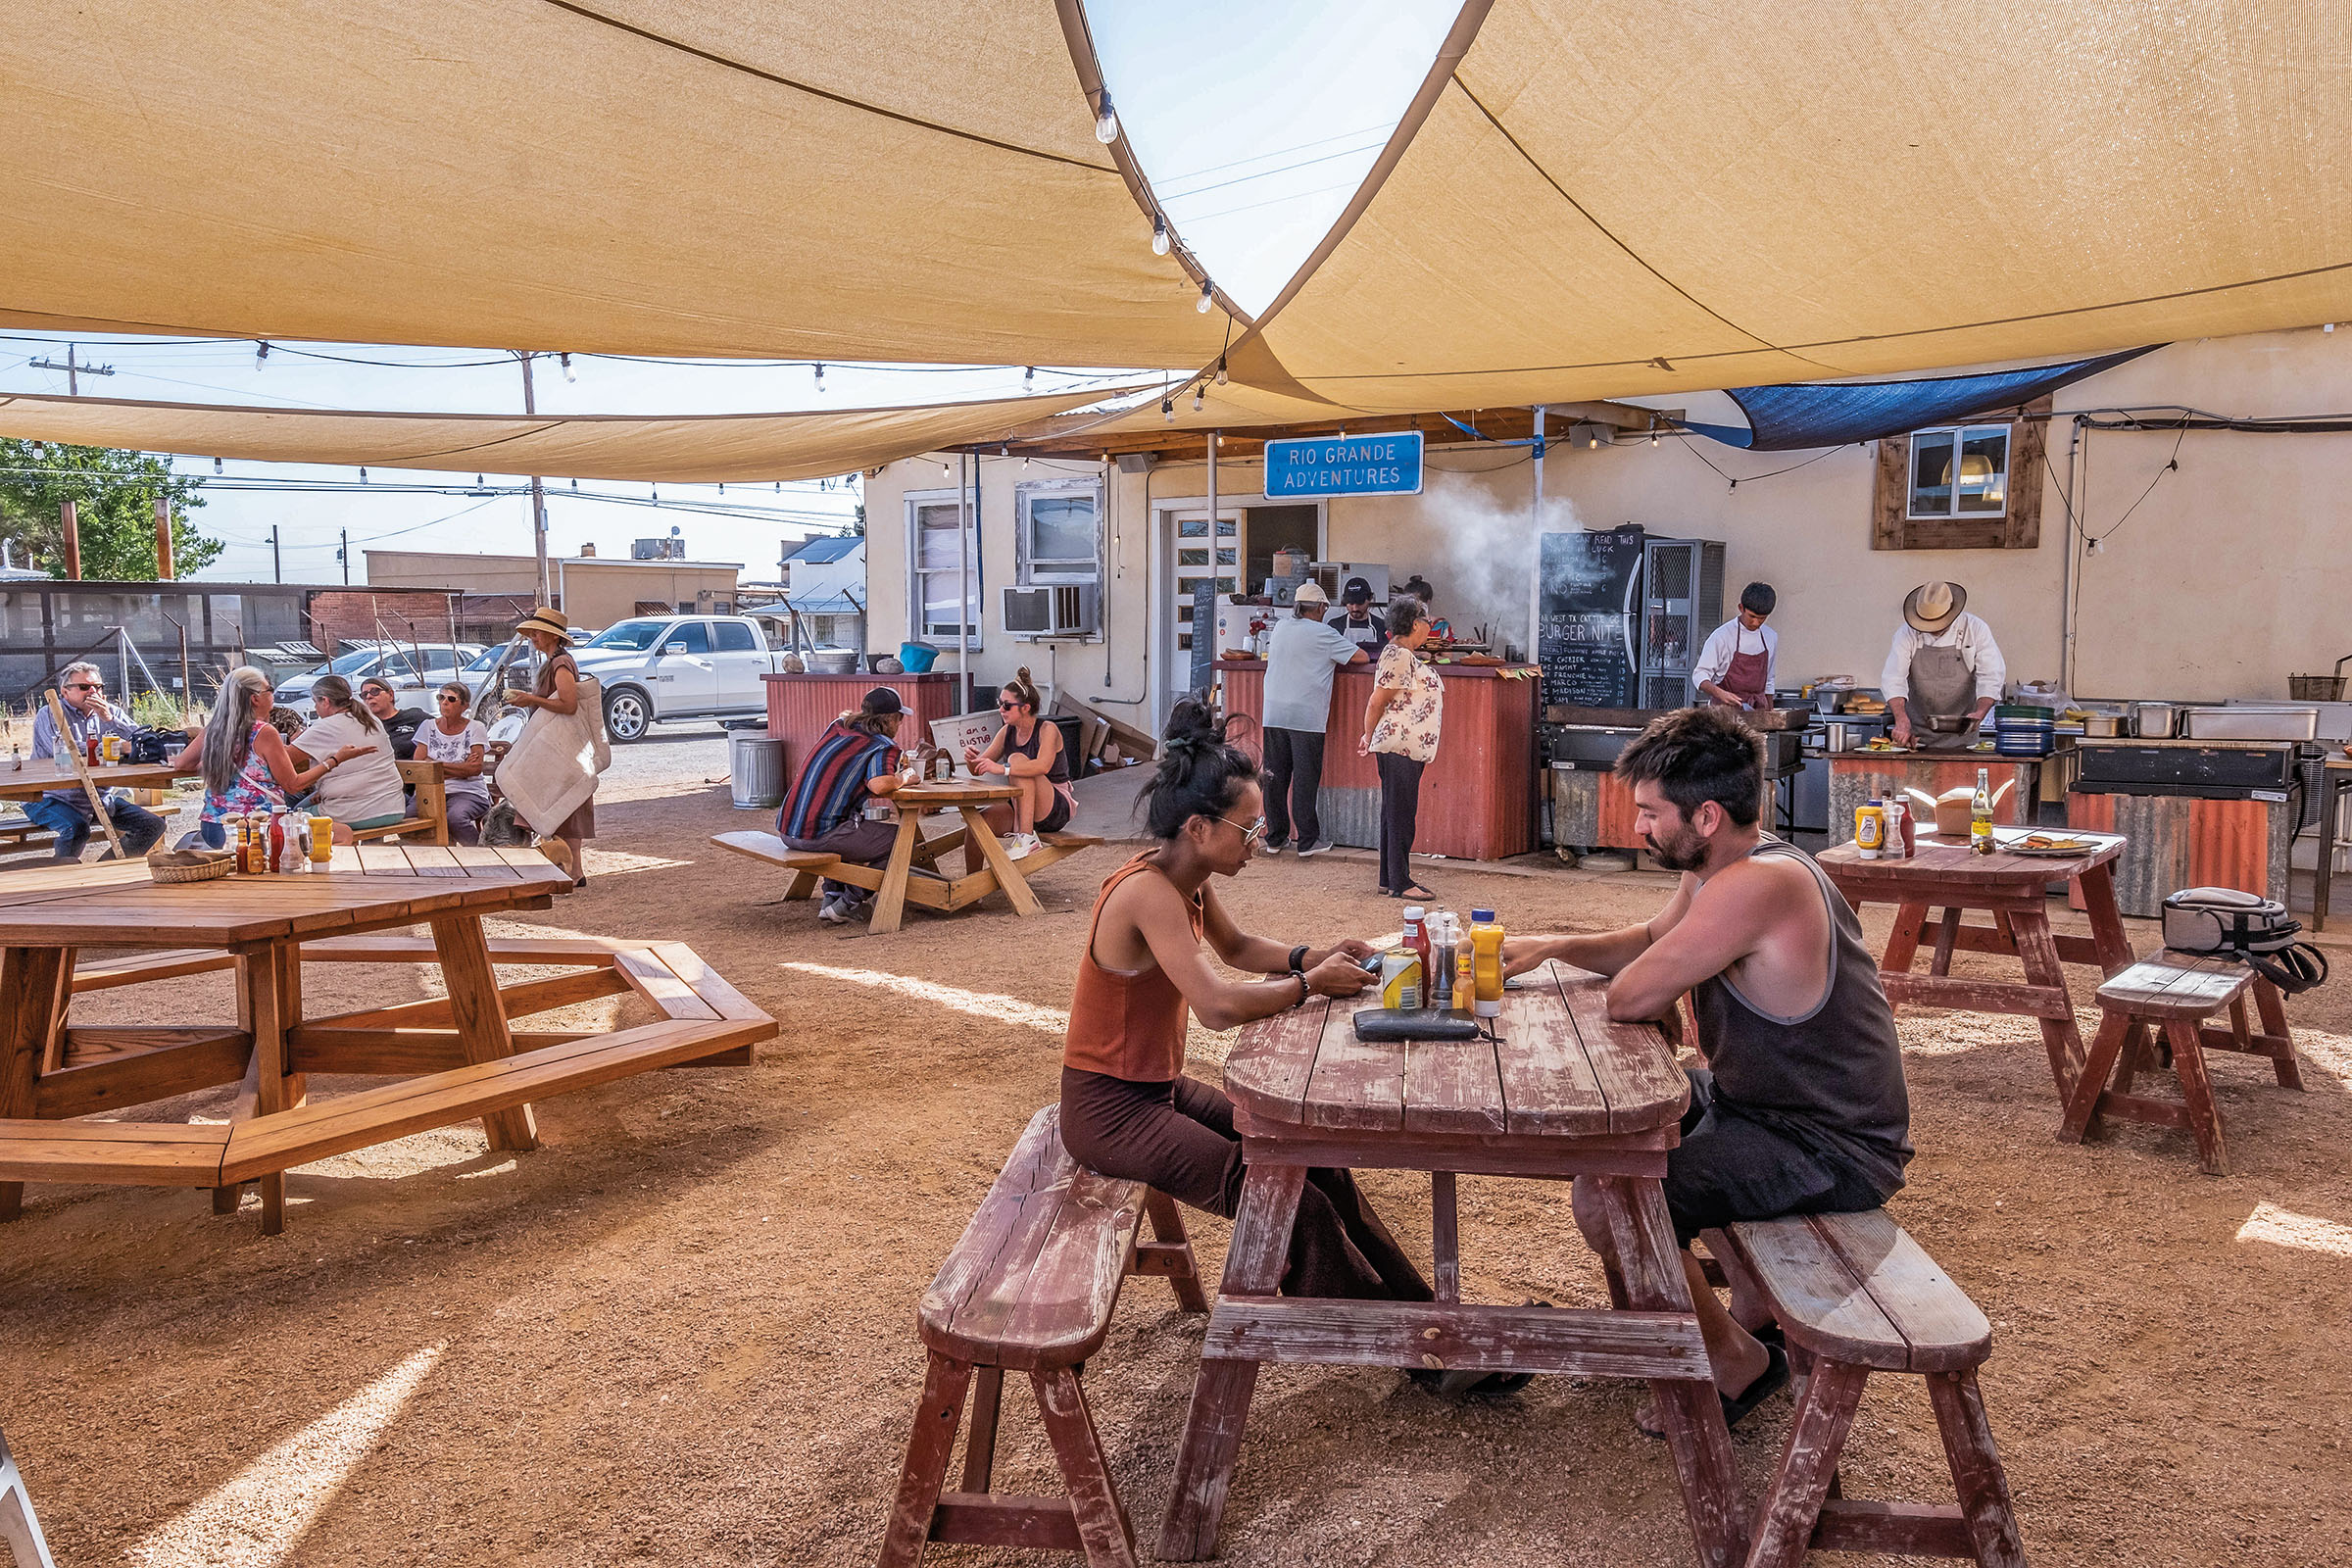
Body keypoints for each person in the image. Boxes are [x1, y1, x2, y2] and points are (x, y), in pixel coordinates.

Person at [1501, 706, 1911, 1434]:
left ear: (1708, 815)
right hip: (1760, 1105)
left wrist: (1603, 971)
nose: (1639, 829)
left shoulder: (1759, 886)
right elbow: (1653, 939)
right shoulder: (1727, 866)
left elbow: (1634, 993)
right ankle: (1694, 1330)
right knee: (1623, 1142)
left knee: (1612, 1196)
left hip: (1829, 1144)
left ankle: (1734, 1363)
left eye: (1650, 814)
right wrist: (1550, 946)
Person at [1058, 699, 1433, 1309]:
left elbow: (1236, 948)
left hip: (1154, 1090)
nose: (1258, 841)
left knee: (1317, 1165)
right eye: (1249, 828)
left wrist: (1308, 958)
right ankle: (1384, 1339)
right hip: (1110, 1111)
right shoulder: (1147, 893)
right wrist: (1309, 988)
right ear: (1199, 828)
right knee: (1290, 1200)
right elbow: (1216, 1005)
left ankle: (1423, 1316)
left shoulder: (1183, 876)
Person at [170, 665, 372, 847]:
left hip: (212, 826)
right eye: (270, 690)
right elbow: (293, 784)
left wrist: (220, 762)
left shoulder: (215, 728)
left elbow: (182, 763)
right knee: (342, 833)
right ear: (255, 698)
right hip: (257, 826)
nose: (273, 695)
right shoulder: (264, 732)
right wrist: (335, 760)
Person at [779, 685, 907, 924]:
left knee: (850, 825)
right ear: (892, 719)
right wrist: (905, 778)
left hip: (788, 827)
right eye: (900, 719)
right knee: (904, 840)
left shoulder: (837, 727)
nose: (900, 725)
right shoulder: (884, 745)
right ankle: (849, 902)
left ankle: (832, 896)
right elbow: (879, 785)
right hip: (817, 834)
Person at [1258, 578, 1365, 857]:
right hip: (1305, 715)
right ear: (1318, 608)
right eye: (1324, 609)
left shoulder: (1280, 627)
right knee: (1305, 778)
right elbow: (1362, 657)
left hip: (1273, 712)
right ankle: (1307, 840)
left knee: (1275, 778)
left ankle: (1275, 837)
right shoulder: (1324, 633)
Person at [24, 662, 167, 860]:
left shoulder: (111, 711)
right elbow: (62, 749)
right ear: (65, 692)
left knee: (153, 824)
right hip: (51, 796)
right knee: (76, 828)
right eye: (84, 687)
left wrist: (109, 720)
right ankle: (63, 879)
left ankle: (105, 870)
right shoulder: (50, 713)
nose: (93, 692)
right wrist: (113, 747)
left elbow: (142, 740)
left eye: (98, 687)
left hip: (99, 797)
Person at [501, 607, 597, 888]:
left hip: (560, 748)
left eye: (536, 632)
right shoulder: (556, 662)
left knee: (558, 805)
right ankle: (572, 871)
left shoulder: (560, 664)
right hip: (558, 747)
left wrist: (532, 700)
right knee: (561, 807)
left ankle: (569, 869)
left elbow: (568, 704)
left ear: (551, 636)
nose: (532, 637)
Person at [1359, 595, 1442, 901]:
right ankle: (1401, 882)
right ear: (1416, 623)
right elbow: (1377, 700)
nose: (1429, 628)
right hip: (1399, 745)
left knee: (1394, 812)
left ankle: (1389, 878)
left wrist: (1370, 735)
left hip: (1403, 745)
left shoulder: (1403, 655)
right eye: (1427, 622)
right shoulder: (1399, 656)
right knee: (1401, 814)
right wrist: (1368, 736)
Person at [963, 667, 1072, 861]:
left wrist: (1004, 768)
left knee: (1016, 759)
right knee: (977, 825)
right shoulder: (1007, 732)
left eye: (1007, 705)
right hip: (1020, 804)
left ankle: (1026, 837)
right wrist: (971, 760)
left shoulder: (1048, 729)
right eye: (1000, 703)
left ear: (1025, 707)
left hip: (1054, 807)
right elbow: (979, 768)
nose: (1001, 710)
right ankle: (971, 885)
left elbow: (1042, 767)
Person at [1884, 581, 2005, 750]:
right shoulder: (1906, 633)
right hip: (1917, 736)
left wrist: (1980, 712)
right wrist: (1901, 719)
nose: (1932, 628)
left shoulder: (1975, 628)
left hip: (1964, 735)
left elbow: (1991, 675)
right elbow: (1893, 678)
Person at [293, 675, 411, 835]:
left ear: (325, 701)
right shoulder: (370, 719)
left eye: (315, 702)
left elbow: (284, 758)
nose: (315, 708)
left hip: (355, 812)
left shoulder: (325, 726)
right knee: (305, 804)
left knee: (293, 818)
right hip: (393, 807)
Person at [418, 682, 493, 844]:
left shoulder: (475, 728)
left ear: (464, 706)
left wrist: (434, 764)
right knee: (410, 818)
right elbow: (419, 766)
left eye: (451, 699)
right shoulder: (427, 727)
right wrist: (461, 768)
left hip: (469, 792)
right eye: (441, 697)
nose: (444, 702)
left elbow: (474, 769)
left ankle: (482, 853)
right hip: (431, 791)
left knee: (455, 819)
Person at [1693, 582, 1779, 710]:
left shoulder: (1770, 637)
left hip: (1757, 713)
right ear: (1741, 608)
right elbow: (1699, 675)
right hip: (1723, 713)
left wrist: (1771, 715)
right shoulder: (1722, 636)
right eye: (1752, 616)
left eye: (1762, 618)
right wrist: (1720, 693)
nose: (1756, 623)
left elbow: (1769, 681)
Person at [357, 676, 430, 760]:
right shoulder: (364, 726)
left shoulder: (415, 716)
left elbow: (443, 727)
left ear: (391, 695)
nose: (369, 696)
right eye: (364, 694)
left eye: (375, 691)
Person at [1328, 576, 1389, 654]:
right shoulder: (1335, 626)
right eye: (1351, 603)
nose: (1355, 608)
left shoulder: (1381, 626)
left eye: (1360, 603)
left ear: (1370, 599)